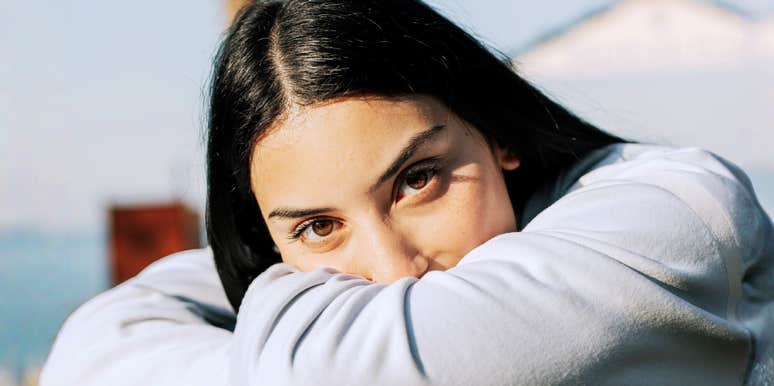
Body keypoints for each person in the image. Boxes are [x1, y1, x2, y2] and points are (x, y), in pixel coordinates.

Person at [41, 0, 774, 385]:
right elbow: (95, 346)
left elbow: (325, 375)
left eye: (417, 181)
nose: (393, 270)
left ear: (499, 132)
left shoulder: (671, 216)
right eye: (318, 227)